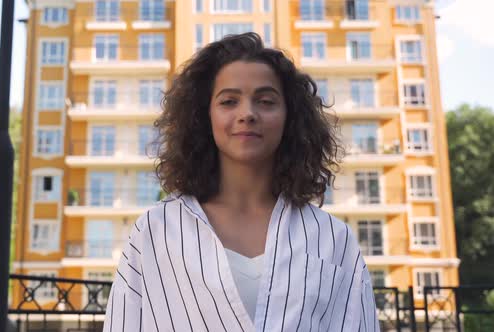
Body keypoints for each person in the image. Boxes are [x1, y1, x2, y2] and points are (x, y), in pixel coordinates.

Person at [103, 32, 380, 332]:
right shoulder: (155, 231)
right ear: (204, 115)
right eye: (229, 101)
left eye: (265, 101)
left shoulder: (333, 240)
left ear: (290, 117)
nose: (247, 113)